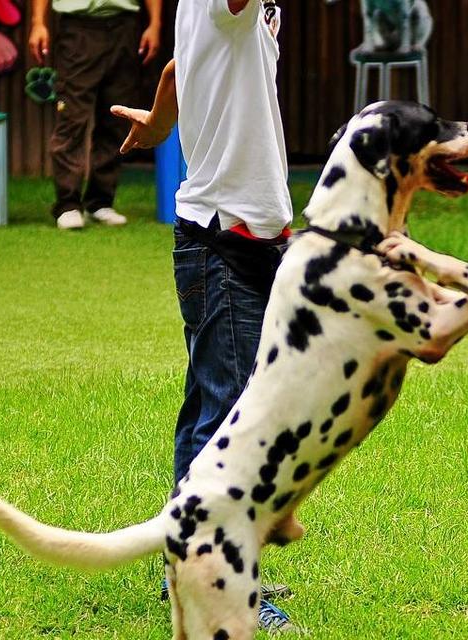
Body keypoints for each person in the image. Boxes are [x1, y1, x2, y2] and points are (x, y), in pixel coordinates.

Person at [111, 0, 294, 630]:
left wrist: (161, 125)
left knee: (210, 408)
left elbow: (173, 72)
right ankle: (214, 577)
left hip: (251, 233)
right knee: (227, 421)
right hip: (223, 239)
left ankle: (189, 564)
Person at [29, 0, 162, 229]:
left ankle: (100, 202)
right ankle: (68, 204)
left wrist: (155, 24)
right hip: (78, 27)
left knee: (117, 117)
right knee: (72, 117)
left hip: (125, 24)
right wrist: (38, 22)